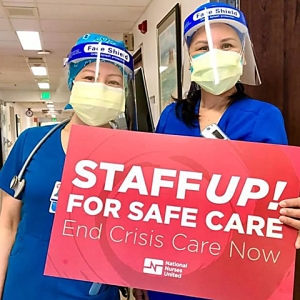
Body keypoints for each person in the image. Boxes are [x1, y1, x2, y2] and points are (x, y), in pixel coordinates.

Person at [133, 2, 300, 300]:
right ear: (190, 58)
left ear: (242, 53)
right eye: (202, 48)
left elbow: (277, 195)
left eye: (226, 45)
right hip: (174, 266)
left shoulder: (265, 116)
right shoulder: (171, 117)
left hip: (236, 265)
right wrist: (138, 268)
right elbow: (154, 192)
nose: (214, 55)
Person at [0, 33, 135, 300]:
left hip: (93, 292)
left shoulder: (134, 157)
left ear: (124, 92)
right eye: (89, 78)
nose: (100, 88)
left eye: (113, 82)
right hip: (26, 287)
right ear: (73, 82)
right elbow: (8, 222)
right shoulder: (32, 143)